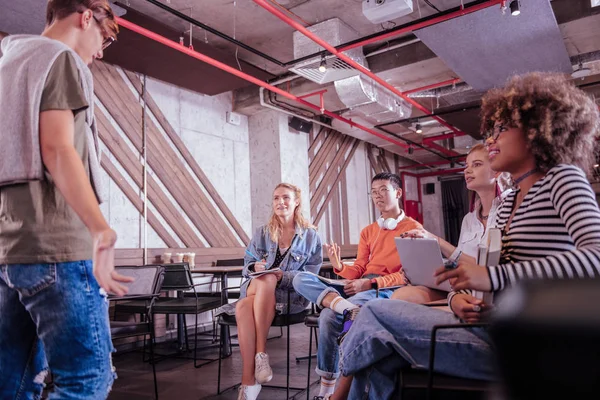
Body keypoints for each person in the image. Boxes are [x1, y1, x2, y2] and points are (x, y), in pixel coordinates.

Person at [334, 72, 600, 400]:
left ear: (536, 130)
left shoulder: (563, 179)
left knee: (374, 314)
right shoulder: (507, 205)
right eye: (491, 130)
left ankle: (334, 394)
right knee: (380, 357)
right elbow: (487, 284)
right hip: (492, 331)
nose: (491, 139)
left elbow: (595, 257)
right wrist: (456, 299)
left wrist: (490, 276)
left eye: (503, 129)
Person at [0, 1, 132, 399]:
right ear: (86, 15)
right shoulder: (59, 58)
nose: (100, 51)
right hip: (59, 247)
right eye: (104, 38)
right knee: (87, 381)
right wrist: (100, 228)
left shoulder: (8, 64)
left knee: (13, 384)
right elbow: (57, 149)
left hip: (11, 253)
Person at [293, 172, 422, 400]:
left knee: (327, 317)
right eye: (373, 192)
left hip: (384, 288)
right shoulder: (368, 231)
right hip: (359, 284)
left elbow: (408, 276)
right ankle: (344, 307)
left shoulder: (413, 228)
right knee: (299, 278)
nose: (377, 196)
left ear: (398, 193)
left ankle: (326, 390)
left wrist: (371, 283)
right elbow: (360, 267)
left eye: (383, 190)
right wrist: (340, 266)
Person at [393, 143, 511, 305]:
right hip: (461, 284)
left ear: (496, 170)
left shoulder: (510, 210)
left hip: (490, 289)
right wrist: (422, 269)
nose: (467, 171)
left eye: (476, 165)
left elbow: (489, 268)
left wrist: (437, 241)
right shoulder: (468, 220)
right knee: (401, 296)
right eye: (466, 166)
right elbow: (459, 260)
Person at [236, 183, 322, 400]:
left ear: (296, 202)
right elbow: (247, 265)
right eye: (276, 198)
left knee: (243, 305)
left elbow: (311, 277)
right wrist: (254, 267)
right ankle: (261, 354)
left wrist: (284, 276)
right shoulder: (262, 233)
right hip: (258, 287)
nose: (280, 202)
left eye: (285, 197)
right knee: (264, 277)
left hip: (290, 297)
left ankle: (248, 385)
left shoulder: (311, 236)